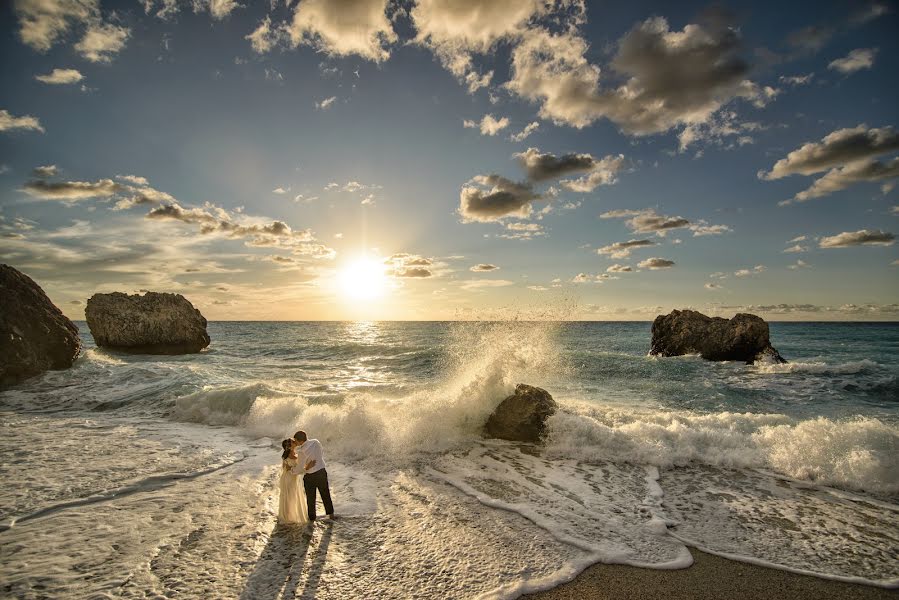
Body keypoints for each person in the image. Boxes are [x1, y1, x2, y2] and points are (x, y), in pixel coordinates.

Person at [292, 430, 335, 521]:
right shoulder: (316, 442)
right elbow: (321, 453)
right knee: (325, 494)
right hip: (321, 472)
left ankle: (312, 520)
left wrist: (292, 471)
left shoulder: (301, 452)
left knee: (311, 499)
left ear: (299, 441)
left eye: (295, 440)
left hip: (310, 477)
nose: (295, 442)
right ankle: (331, 515)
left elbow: (300, 468)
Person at [277, 438, 315, 524]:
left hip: (288, 477)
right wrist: (308, 466)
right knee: (290, 497)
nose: (295, 441)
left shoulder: (289, 454)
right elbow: (298, 469)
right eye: (293, 442)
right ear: (290, 447)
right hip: (290, 478)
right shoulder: (291, 455)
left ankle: (288, 515)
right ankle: (288, 517)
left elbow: (288, 467)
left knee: (289, 497)